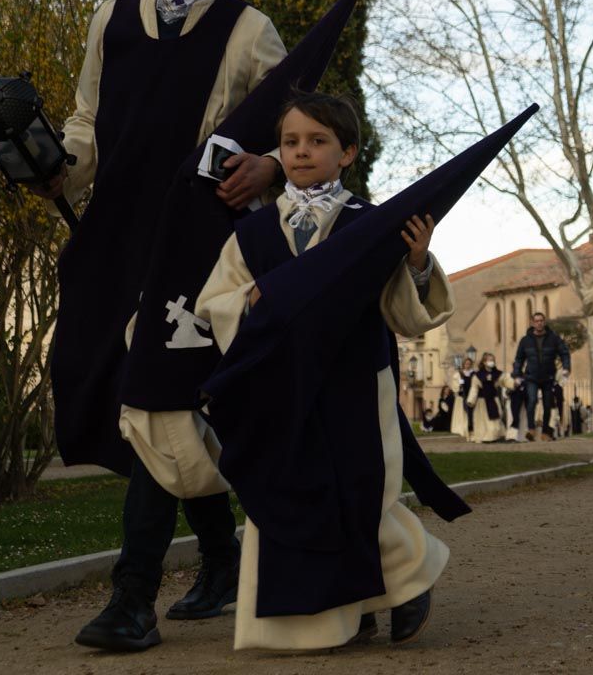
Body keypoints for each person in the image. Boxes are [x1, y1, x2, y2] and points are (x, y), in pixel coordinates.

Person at [43, 0, 286, 652]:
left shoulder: (250, 30)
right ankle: (224, 559)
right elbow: (88, 118)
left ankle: (132, 600)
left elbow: (298, 127)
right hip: (113, 236)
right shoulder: (110, 17)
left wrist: (274, 168)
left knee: (154, 399)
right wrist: (56, 163)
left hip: (196, 249)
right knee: (136, 397)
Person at [196, 92, 458, 648]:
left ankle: (407, 579)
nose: (301, 152)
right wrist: (251, 298)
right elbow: (213, 302)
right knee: (289, 494)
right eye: (291, 142)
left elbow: (404, 314)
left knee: (358, 492)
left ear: (348, 153)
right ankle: (346, 610)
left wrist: (416, 262)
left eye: (318, 141)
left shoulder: (375, 226)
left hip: (354, 385)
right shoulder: (253, 233)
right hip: (280, 392)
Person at [512, 312, 572, 441]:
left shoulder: (553, 338)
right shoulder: (525, 340)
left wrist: (566, 368)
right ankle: (531, 429)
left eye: (541, 321)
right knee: (532, 400)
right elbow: (519, 359)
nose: (539, 323)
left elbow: (564, 352)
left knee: (547, 404)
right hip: (531, 376)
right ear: (532, 323)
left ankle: (545, 432)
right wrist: (517, 375)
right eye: (536, 321)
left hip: (548, 376)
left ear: (544, 322)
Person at [467, 353, 509, 443]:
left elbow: (505, 381)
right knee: (482, 421)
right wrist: (471, 400)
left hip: (493, 399)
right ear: (484, 362)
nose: (492, 362)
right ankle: (484, 436)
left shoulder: (497, 374)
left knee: (494, 420)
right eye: (490, 360)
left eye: (493, 360)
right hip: (482, 402)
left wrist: (513, 384)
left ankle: (495, 435)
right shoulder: (478, 375)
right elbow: (474, 388)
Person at [451, 356, 477, 438]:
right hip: (463, 396)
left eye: (469, 364)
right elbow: (455, 385)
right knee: (463, 414)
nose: (467, 365)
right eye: (466, 364)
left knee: (472, 413)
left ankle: (472, 429)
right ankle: (463, 429)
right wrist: (459, 386)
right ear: (463, 364)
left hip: (472, 396)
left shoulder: (474, 374)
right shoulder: (459, 374)